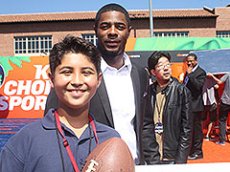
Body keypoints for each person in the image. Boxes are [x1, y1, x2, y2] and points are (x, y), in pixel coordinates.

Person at [45, 3, 156, 164]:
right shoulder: (79, 76)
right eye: (105, 26)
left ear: (128, 32)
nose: (112, 32)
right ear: (96, 30)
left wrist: (154, 164)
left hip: (135, 165)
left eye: (119, 26)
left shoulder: (139, 74)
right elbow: (53, 125)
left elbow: (145, 125)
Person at [0, 35, 120, 172]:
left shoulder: (111, 140)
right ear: (51, 79)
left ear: (98, 80)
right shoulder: (25, 140)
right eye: (67, 72)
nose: (77, 81)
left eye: (86, 72)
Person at [143, 51, 193, 164]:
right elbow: (145, 126)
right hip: (153, 156)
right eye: (161, 66)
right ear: (153, 72)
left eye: (167, 65)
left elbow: (187, 130)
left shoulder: (181, 91)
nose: (166, 69)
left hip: (172, 156)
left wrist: (180, 160)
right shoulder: (148, 92)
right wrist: (150, 155)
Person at [183, 53, 206, 160]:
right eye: (188, 61)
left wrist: (191, 74)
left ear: (196, 61)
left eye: (191, 61)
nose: (189, 63)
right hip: (188, 105)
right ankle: (191, 151)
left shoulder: (200, 72)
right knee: (189, 130)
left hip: (196, 106)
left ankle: (198, 152)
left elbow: (198, 87)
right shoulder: (188, 72)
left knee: (196, 131)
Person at [207, 72, 230, 145]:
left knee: (222, 120)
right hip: (225, 101)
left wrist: (212, 76)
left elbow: (219, 82)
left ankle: (222, 141)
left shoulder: (228, 74)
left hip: (225, 101)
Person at [202, 73, 219, 141]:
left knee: (203, 119)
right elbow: (217, 86)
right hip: (211, 102)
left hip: (204, 101)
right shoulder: (212, 79)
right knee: (211, 120)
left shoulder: (202, 79)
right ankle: (207, 135)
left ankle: (202, 134)